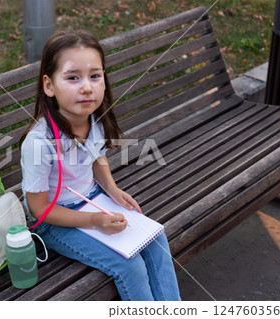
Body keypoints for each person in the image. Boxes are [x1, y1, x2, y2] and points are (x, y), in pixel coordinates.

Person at [19, 29, 181, 301]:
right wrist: (94, 221)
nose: (86, 87)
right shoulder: (39, 142)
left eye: (95, 76)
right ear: (49, 85)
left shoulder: (93, 119)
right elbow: (39, 208)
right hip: (55, 221)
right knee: (129, 265)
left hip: (93, 200)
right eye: (73, 77)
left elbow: (96, 157)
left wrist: (113, 191)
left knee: (155, 241)